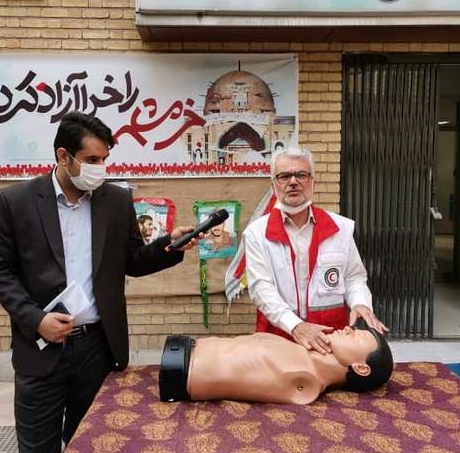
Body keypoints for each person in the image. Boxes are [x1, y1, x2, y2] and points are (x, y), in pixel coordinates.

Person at [0, 113, 199, 453]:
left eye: (105, 160)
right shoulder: (16, 201)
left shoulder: (115, 201)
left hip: (97, 352)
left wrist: (169, 246)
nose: (101, 169)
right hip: (41, 354)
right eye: (92, 160)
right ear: (63, 156)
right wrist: (36, 320)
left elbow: (132, 259)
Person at [244, 147, 388, 356]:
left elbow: (353, 276)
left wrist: (360, 302)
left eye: (301, 174)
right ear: (274, 185)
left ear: (313, 182)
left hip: (331, 340)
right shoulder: (256, 234)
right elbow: (261, 288)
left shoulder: (340, 228)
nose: (293, 181)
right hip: (279, 339)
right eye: (284, 176)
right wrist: (296, 326)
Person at [159, 324, 393, 404]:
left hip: (184, 372)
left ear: (361, 368)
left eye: (357, 337)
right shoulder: (303, 353)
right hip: (187, 352)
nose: (349, 328)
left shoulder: (305, 385)